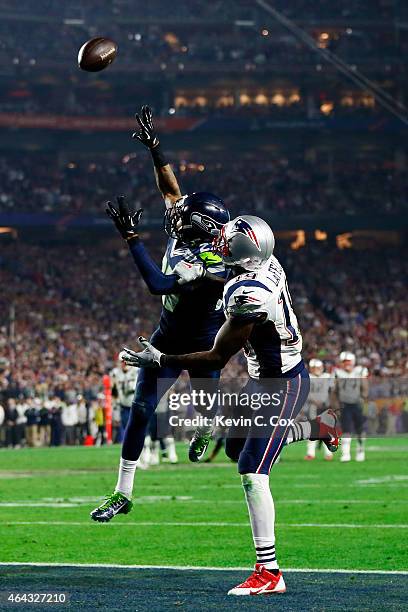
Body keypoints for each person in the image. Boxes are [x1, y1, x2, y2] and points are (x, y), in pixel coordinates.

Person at [121, 214, 341, 596]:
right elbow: (229, 270)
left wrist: (161, 360)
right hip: (261, 378)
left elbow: (216, 358)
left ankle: (269, 570)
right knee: (237, 447)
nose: (219, 243)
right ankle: (320, 427)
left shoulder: (248, 295)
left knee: (252, 472)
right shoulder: (265, 262)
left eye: (226, 242)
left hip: (281, 383)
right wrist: (203, 276)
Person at [90, 106, 230, 522]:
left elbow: (159, 284)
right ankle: (122, 492)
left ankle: (208, 428)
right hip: (167, 336)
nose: (175, 215)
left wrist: (132, 239)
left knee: (205, 409)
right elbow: (171, 192)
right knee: (141, 409)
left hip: (203, 347)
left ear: (200, 229)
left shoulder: (210, 263)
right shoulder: (192, 231)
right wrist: (156, 149)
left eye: (183, 219)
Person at [335, 351, 369, 462]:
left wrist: (364, 398)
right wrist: (335, 405)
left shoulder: (360, 371)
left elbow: (365, 388)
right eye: (344, 362)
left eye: (348, 361)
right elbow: (334, 391)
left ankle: (360, 451)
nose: (346, 364)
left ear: (353, 362)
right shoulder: (337, 373)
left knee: (360, 429)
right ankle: (346, 453)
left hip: (357, 404)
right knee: (346, 430)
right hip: (344, 404)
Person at [303, 358, 335, 461]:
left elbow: (332, 391)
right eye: (314, 368)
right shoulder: (307, 377)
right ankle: (310, 453)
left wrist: (330, 402)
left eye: (318, 367)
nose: (316, 369)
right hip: (312, 406)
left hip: (325, 406)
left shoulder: (327, 376)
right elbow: (305, 393)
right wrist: (313, 400)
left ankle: (328, 453)